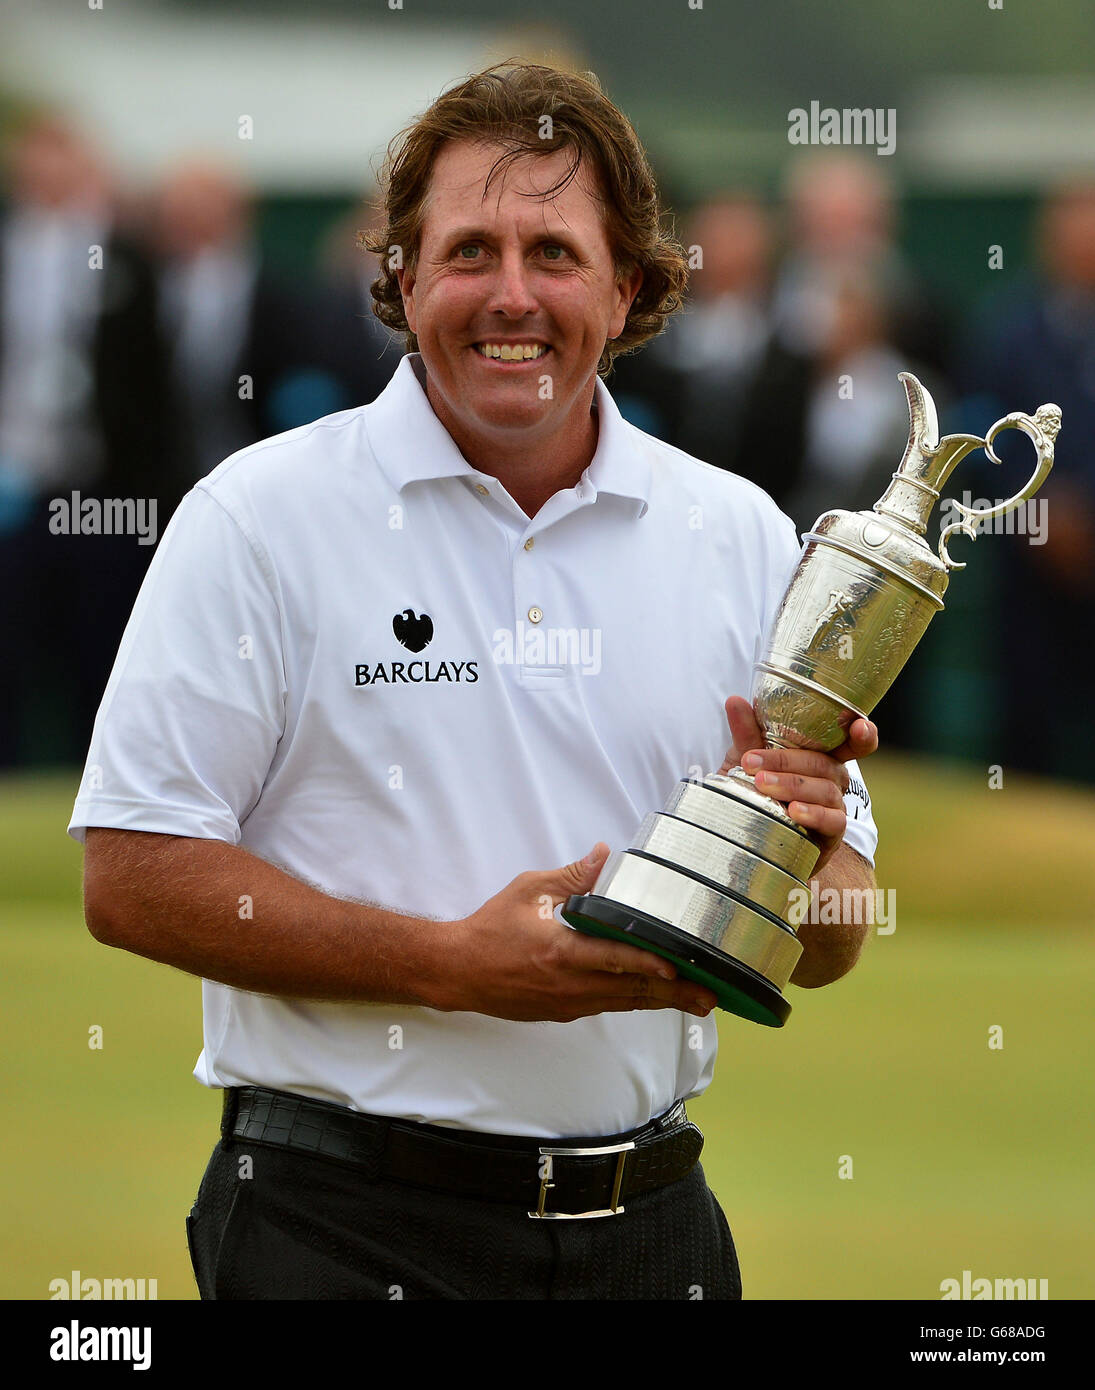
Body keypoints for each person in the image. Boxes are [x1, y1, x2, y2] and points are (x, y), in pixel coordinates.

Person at [69, 63, 879, 1301]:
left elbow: (833, 943)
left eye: (554, 251)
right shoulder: (258, 516)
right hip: (338, 1227)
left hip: (654, 1231)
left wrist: (812, 855)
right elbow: (130, 872)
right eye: (466, 252)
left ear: (628, 284)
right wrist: (443, 962)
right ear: (399, 277)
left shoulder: (746, 535)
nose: (512, 295)